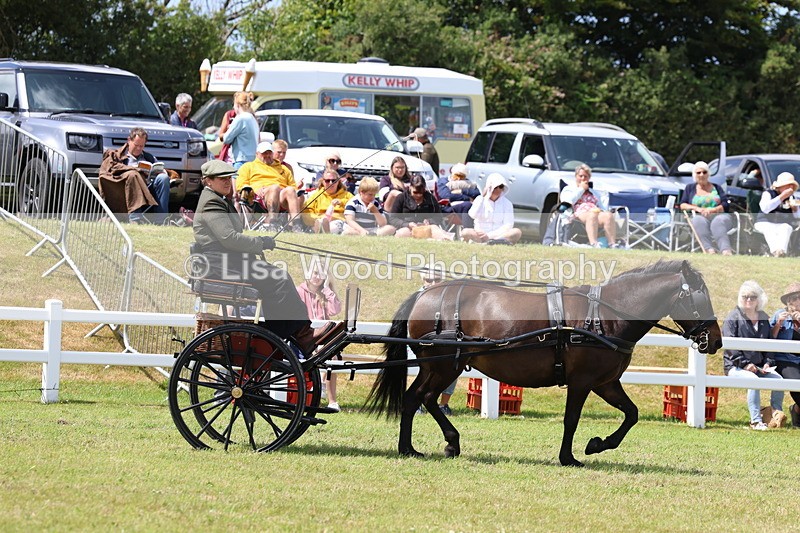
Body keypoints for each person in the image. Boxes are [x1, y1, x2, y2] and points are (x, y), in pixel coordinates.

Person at [192, 159, 343, 353]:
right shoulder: (212, 202)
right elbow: (229, 238)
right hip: (222, 264)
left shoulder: (218, 198)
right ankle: (298, 335)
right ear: (208, 181)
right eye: (221, 178)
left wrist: (260, 241)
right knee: (278, 278)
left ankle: (295, 334)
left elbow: (230, 238)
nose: (227, 181)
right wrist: (260, 243)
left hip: (228, 261)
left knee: (279, 277)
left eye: (229, 177)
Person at [722, 280, 784, 430]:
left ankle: (774, 414)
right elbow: (730, 347)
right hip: (735, 367)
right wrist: (745, 364)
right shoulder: (732, 318)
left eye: (752, 297)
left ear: (759, 299)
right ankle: (755, 421)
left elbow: (769, 344)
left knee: (779, 380)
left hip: (759, 366)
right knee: (753, 380)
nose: (748, 300)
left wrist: (768, 362)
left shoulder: (763, 317)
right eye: (745, 296)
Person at [98, 127, 173, 224]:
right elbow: (110, 171)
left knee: (163, 178)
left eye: (141, 146)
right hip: (125, 190)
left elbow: (160, 169)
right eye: (136, 145)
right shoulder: (118, 156)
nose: (138, 149)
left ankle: (161, 221)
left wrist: (160, 173)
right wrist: (136, 170)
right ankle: (135, 218)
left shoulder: (148, 157)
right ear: (129, 140)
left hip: (147, 188)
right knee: (133, 175)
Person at [296, 264, 342, 411]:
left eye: (321, 274)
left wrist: (327, 288)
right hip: (306, 337)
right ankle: (321, 388)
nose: (317, 277)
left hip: (324, 337)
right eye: (315, 273)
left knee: (331, 355)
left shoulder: (325, 293)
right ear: (308, 274)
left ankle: (331, 400)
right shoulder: (299, 291)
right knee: (327, 355)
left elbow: (335, 310)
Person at [236, 141, 301, 228]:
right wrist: (254, 190)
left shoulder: (284, 168)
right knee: (274, 188)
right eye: (264, 153)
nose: (267, 155)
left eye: (269, 153)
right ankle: (273, 222)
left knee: (290, 190)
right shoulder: (248, 166)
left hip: (282, 197)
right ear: (257, 154)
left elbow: (293, 186)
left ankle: (297, 224)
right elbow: (241, 185)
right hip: (260, 197)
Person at [678, 161, 734, 255]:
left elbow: (725, 204)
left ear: (708, 174)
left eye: (704, 172)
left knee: (718, 222)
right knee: (698, 221)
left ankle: (725, 250)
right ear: (694, 175)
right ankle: (709, 250)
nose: (701, 175)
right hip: (700, 216)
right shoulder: (690, 188)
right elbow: (682, 205)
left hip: (718, 215)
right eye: (698, 172)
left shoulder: (717, 187)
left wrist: (713, 210)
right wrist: (698, 209)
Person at [560, 164, 618, 248]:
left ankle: (612, 244)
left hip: (595, 211)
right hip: (578, 213)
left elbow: (602, 205)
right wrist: (581, 189)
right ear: (576, 176)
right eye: (580, 176)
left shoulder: (593, 192)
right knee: (592, 215)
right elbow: (568, 202)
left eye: (586, 176)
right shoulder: (569, 189)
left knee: (608, 215)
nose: (583, 178)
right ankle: (594, 243)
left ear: (589, 178)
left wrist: (603, 210)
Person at [770, 281, 800, 428]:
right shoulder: (779, 315)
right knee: (797, 383)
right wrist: (778, 324)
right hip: (784, 360)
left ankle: (796, 410)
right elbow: (768, 339)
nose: (797, 301)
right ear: (788, 301)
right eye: (794, 298)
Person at [461, 173, 522, 244]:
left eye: (501, 187)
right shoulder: (480, 199)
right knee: (465, 232)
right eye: (495, 187)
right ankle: (488, 242)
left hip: (499, 236)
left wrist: (489, 236)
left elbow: (508, 225)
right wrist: (482, 197)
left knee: (517, 232)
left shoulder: (507, 203)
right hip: (480, 235)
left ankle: (494, 242)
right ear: (489, 187)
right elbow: (472, 215)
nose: (498, 189)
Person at [389, 175, 454, 240]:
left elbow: (439, 216)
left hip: (426, 228)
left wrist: (429, 221)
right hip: (406, 227)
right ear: (410, 187)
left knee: (435, 229)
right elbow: (393, 218)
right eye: (415, 192)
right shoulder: (401, 198)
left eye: (421, 193)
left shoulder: (430, 198)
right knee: (403, 233)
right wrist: (407, 224)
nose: (418, 195)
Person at [754, 171, 800, 257]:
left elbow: (797, 217)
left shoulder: (792, 198)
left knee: (786, 228)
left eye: (792, 186)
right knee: (769, 229)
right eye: (788, 185)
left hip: (782, 223)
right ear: (780, 186)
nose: (790, 188)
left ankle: (781, 252)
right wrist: (782, 197)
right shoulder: (768, 194)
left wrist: (795, 209)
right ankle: (775, 251)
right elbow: (765, 209)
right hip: (765, 222)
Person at [221, 91, 258, 170]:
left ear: (237, 105)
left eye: (233, 105)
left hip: (241, 160)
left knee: (238, 182)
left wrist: (230, 129)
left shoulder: (240, 118)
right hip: (253, 159)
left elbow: (226, 139)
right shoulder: (252, 118)